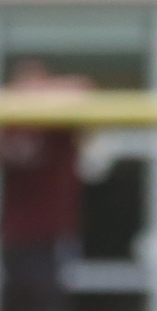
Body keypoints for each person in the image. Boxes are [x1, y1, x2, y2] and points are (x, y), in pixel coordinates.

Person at [1, 60, 91, 311]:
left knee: (50, 300)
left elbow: (83, 90)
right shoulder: (11, 122)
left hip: (53, 236)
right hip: (15, 237)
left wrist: (41, 93)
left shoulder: (59, 124)